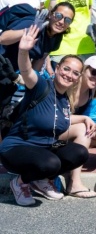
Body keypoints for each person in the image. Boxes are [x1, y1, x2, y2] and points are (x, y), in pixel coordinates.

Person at [0, 26, 91, 206]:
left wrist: (84, 118)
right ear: (57, 69)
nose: (69, 75)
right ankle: (19, 184)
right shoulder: (41, 86)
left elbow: (58, 119)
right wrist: (24, 51)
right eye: (66, 69)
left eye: (75, 73)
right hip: (16, 149)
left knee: (80, 152)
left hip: (42, 151)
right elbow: (26, 71)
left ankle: (40, 179)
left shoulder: (65, 99)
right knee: (51, 163)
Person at [60, 55, 96, 198]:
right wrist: (84, 118)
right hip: (47, 130)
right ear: (83, 70)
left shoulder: (90, 91)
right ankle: (74, 183)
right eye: (94, 72)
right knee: (84, 129)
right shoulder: (67, 86)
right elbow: (53, 118)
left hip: (62, 130)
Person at [0, 2, 74, 70]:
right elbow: (2, 39)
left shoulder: (56, 38)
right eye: (58, 16)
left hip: (14, 69)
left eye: (67, 20)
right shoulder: (33, 22)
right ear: (51, 15)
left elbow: (40, 59)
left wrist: (32, 80)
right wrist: (31, 29)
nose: (61, 22)